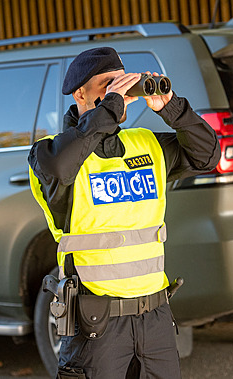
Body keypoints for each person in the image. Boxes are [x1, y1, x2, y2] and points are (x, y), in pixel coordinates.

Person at [28, 46, 220, 379]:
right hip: (95, 325)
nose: (118, 91)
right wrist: (110, 108)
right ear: (80, 94)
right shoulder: (50, 153)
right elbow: (59, 167)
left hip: (155, 318)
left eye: (122, 82)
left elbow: (208, 156)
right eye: (107, 84)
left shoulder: (146, 144)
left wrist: (171, 108)